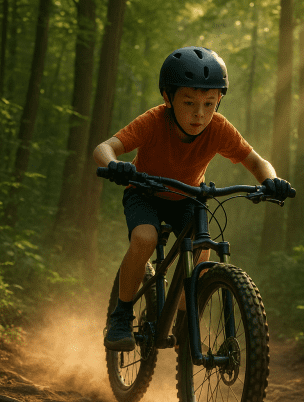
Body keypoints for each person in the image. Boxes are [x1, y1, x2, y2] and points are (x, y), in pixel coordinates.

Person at [93, 46, 293, 352]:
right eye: (189, 102)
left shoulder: (219, 128)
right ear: (167, 98)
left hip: (188, 196)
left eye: (209, 104)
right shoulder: (154, 121)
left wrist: (271, 180)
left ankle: (186, 322)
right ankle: (121, 314)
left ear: (219, 101)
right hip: (144, 192)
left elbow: (256, 161)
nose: (199, 113)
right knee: (145, 238)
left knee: (202, 251)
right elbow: (105, 147)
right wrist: (115, 165)